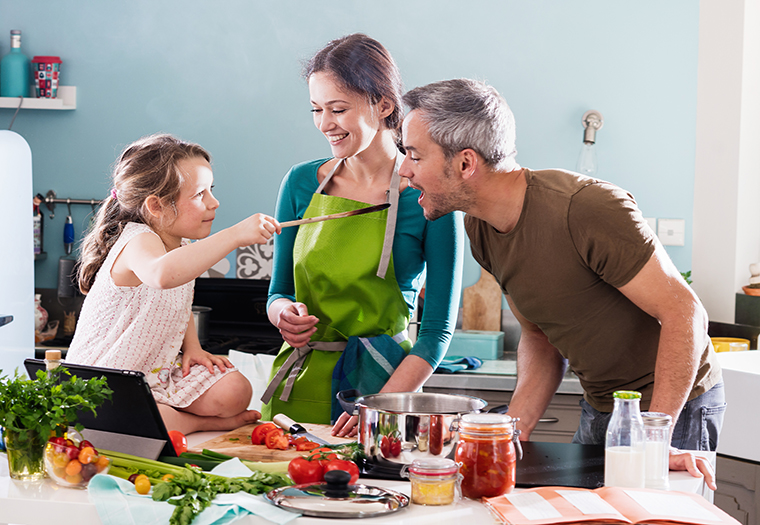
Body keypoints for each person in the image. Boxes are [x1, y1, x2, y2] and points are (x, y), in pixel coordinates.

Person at [399, 78, 723, 488]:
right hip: (602, 405)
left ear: (465, 163)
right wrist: (514, 430)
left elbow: (685, 312)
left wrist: (654, 441)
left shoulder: (584, 209)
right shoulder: (480, 228)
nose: (405, 170)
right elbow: (538, 335)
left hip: (675, 408)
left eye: (413, 155)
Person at [262, 34, 464, 435]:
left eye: (338, 109)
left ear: (384, 104)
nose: (325, 124)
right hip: (297, 390)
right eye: (316, 110)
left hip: (384, 391)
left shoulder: (428, 194)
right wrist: (283, 315)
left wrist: (378, 408)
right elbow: (278, 290)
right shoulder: (301, 182)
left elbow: (437, 329)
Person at [67, 134, 280, 436]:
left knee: (235, 389)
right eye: (199, 195)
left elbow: (177, 301)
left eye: (212, 190)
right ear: (156, 205)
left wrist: (193, 347)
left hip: (155, 372)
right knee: (142, 420)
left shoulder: (182, 247)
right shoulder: (137, 240)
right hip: (106, 381)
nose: (214, 203)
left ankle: (168, 413)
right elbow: (162, 275)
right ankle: (197, 423)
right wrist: (234, 235)